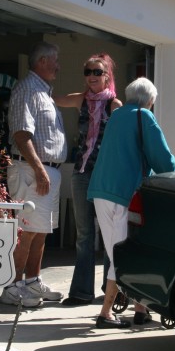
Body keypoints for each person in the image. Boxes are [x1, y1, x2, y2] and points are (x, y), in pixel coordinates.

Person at [87, 77, 175, 328]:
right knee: (123, 255)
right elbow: (163, 159)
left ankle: (141, 308)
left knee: (117, 250)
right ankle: (105, 313)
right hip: (125, 193)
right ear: (149, 100)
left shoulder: (116, 115)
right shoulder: (144, 116)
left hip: (101, 190)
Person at [1, 41, 67, 308]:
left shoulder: (43, 91)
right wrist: (40, 169)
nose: (58, 67)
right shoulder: (27, 88)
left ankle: (31, 282)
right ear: (42, 62)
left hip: (44, 171)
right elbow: (21, 133)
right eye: (55, 61)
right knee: (25, 231)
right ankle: (12, 287)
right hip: (31, 170)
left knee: (40, 231)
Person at [54, 53, 122, 306]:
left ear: (107, 76)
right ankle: (81, 293)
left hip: (105, 176)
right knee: (83, 235)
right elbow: (50, 100)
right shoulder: (80, 99)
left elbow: (126, 138)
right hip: (82, 173)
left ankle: (111, 293)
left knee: (108, 236)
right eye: (88, 72)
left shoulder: (115, 105)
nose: (92, 76)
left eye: (97, 72)